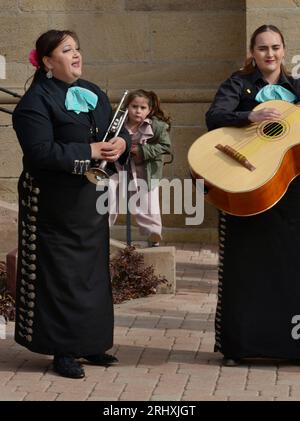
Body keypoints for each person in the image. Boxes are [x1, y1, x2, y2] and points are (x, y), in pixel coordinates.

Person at [12, 29, 131, 378]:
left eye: (77, 48)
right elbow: (40, 153)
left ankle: (91, 343)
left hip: (89, 199)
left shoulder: (93, 92)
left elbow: (115, 132)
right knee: (61, 275)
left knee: (91, 274)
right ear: (48, 61)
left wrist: (121, 144)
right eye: (67, 50)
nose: (76, 55)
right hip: (52, 201)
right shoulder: (34, 103)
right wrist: (89, 151)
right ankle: (63, 350)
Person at [205, 24, 300, 366]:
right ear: (252, 52)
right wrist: (250, 114)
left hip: (292, 194)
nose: (270, 54)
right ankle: (239, 346)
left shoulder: (298, 89)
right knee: (243, 269)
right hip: (245, 187)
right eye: (262, 48)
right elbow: (214, 117)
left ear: (284, 50)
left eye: (275, 47)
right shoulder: (238, 84)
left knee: (293, 269)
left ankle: (292, 347)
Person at [109, 89, 171, 247]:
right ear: (127, 107)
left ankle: (153, 234)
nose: (138, 111)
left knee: (148, 202)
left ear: (149, 110)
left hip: (146, 170)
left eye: (143, 108)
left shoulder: (156, 127)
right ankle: (102, 229)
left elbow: (165, 146)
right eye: (134, 106)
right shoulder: (117, 123)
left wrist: (142, 151)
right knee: (108, 195)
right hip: (119, 167)